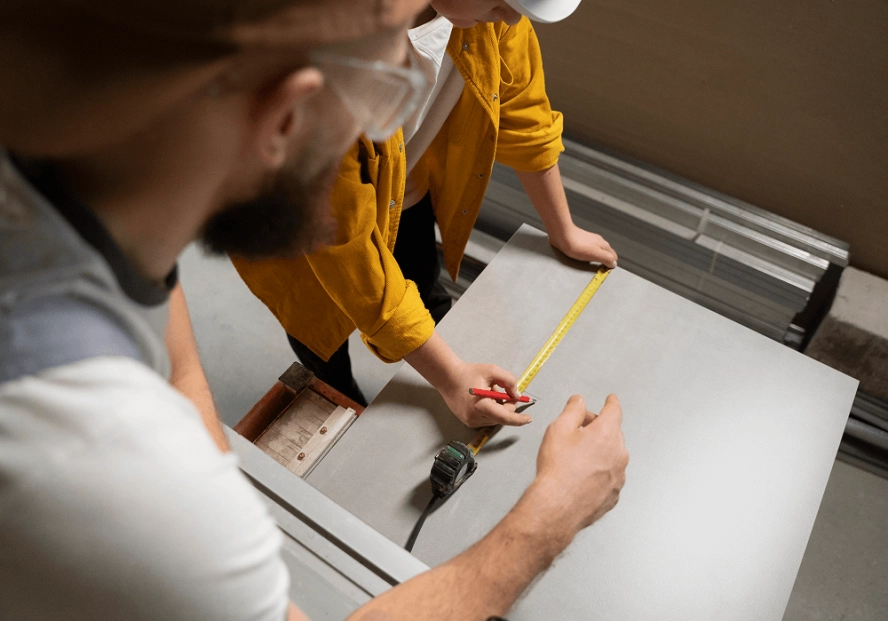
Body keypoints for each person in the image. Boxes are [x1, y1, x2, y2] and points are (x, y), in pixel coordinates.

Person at [0, 2, 629, 621]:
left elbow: (175, 351)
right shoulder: (92, 454)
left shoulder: (82, 193)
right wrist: (549, 516)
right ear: (286, 119)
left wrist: (215, 490)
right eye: (389, 87)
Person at [231, 0, 619, 430]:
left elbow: (525, 114)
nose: (510, 16)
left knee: (419, 273)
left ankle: (430, 353)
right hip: (297, 232)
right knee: (319, 326)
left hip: (402, 191)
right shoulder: (324, 59)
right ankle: (338, 391)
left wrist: (562, 229)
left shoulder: (488, 17)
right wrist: (452, 379)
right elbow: (344, 249)